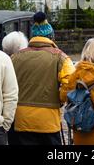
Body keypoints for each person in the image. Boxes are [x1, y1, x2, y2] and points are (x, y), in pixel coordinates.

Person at [11, 12, 74, 145]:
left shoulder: (15, 57)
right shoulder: (61, 58)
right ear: (51, 37)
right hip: (48, 121)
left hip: (21, 119)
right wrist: (60, 99)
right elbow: (70, 84)